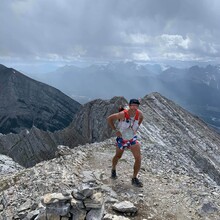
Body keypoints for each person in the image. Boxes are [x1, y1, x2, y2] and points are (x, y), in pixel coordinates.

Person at [107, 99, 144, 187]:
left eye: (136, 105)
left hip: (132, 138)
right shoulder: (122, 114)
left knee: (138, 158)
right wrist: (115, 130)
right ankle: (113, 169)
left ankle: (134, 178)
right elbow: (109, 119)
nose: (134, 107)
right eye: (133, 105)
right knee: (118, 156)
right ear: (129, 105)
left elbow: (141, 118)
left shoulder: (139, 114)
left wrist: (136, 127)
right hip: (122, 138)